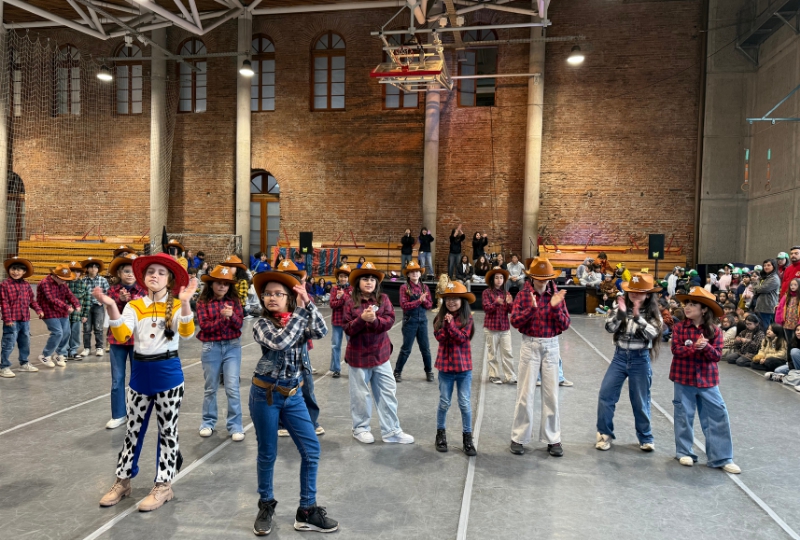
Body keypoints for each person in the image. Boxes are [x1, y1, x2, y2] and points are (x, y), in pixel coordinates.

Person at [95, 253, 198, 511]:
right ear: (144, 276)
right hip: (140, 374)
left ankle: (164, 485)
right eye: (151, 271)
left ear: (170, 279)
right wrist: (111, 305)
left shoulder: (176, 305)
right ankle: (123, 481)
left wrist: (186, 303)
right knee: (132, 430)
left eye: (161, 272)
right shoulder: (134, 306)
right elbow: (122, 334)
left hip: (168, 375)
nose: (155, 275)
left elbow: (186, 333)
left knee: (168, 431)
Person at [248, 266, 338, 535]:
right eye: (267, 294)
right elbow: (281, 342)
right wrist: (300, 312)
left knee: (311, 450)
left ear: (289, 297)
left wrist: (308, 303)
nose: (271, 298)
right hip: (266, 395)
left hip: (294, 395)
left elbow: (321, 330)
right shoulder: (262, 324)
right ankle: (266, 505)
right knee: (268, 453)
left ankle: (307, 510)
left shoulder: (298, 318)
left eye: (278, 293)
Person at [670, 286, 740, 474]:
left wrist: (706, 347)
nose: (687, 307)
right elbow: (676, 350)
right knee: (683, 415)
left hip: (708, 380)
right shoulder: (679, 328)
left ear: (704, 309)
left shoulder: (715, 331)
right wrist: (695, 347)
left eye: (693, 304)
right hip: (683, 378)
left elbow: (717, 356)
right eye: (687, 304)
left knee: (717, 415)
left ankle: (722, 457)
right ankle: (684, 452)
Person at [343, 261, 414, 445]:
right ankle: (360, 428)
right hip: (358, 357)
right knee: (360, 395)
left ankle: (391, 431)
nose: (369, 282)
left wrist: (374, 321)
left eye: (372, 279)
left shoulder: (383, 299)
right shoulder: (350, 303)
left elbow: (389, 320)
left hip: (380, 355)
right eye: (365, 279)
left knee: (388, 392)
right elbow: (347, 328)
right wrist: (361, 319)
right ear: (358, 282)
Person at [509, 257, 570, 457]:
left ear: (551, 278)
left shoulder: (557, 296)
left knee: (551, 395)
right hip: (530, 344)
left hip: (551, 345)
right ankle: (519, 437)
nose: (542, 281)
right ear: (532, 277)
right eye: (539, 278)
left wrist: (555, 307)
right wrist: (532, 309)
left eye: (546, 278)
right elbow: (515, 321)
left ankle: (553, 439)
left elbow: (565, 324)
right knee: (525, 394)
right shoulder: (523, 295)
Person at [596, 273, 662, 452]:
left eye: (639, 291)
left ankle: (646, 437)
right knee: (606, 395)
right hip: (619, 357)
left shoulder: (653, 313)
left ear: (647, 294)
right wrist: (620, 315)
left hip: (640, 359)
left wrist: (638, 318)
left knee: (640, 400)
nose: (634, 294)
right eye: (632, 290)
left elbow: (653, 333)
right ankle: (604, 434)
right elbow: (609, 328)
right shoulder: (619, 306)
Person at [196, 265, 245, 441]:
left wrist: (232, 316)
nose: (222, 286)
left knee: (232, 387)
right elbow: (205, 326)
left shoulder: (235, 302)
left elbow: (239, 325)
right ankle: (207, 422)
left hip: (232, 346)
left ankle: (236, 426)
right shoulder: (203, 303)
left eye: (226, 284)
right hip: (211, 347)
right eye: (219, 283)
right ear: (211, 284)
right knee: (211, 387)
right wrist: (222, 318)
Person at [433, 281, 477, 456]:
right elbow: (440, 337)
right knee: (444, 402)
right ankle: (440, 434)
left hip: (463, 369)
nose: (451, 302)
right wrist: (446, 325)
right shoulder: (439, 319)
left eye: (455, 298)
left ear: (462, 301)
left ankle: (467, 437)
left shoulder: (467, 319)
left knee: (464, 403)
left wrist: (450, 325)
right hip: (445, 369)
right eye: (448, 299)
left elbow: (462, 338)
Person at [104, 253, 147, 429]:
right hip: (117, 341)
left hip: (138, 340)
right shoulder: (112, 291)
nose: (130, 274)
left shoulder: (144, 291)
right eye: (126, 271)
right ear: (119, 273)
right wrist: (119, 301)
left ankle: (137, 413)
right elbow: (110, 312)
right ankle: (118, 414)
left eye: (133, 271)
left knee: (138, 378)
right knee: (117, 379)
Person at [0, 257, 43, 378]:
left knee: (25, 342)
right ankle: (4, 366)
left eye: (19, 270)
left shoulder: (26, 285)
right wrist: (8, 319)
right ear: (9, 270)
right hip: (12, 320)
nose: (15, 272)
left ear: (24, 272)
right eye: (13, 269)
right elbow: (4, 303)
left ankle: (24, 363)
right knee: (9, 343)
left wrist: (38, 310)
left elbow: (31, 301)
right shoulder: (4, 285)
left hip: (24, 320)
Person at [393, 260, 433, 382]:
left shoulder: (425, 287)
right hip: (410, 321)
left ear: (420, 274)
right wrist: (419, 301)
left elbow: (429, 305)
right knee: (406, 349)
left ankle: (429, 371)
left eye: (417, 271)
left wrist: (424, 301)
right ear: (408, 274)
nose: (415, 273)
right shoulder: (404, 287)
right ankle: (397, 372)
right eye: (412, 272)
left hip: (423, 322)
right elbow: (404, 306)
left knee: (425, 349)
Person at [37, 264, 81, 368]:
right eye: (63, 279)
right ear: (55, 276)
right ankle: (45, 355)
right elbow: (51, 298)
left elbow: (69, 294)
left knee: (66, 332)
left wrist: (76, 304)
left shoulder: (63, 283)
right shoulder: (44, 283)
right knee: (57, 333)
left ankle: (59, 353)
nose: (65, 281)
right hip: (49, 311)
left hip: (61, 312)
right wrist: (67, 306)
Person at [482, 266, 516, 384]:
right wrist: (496, 303)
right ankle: (494, 375)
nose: (499, 280)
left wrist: (510, 303)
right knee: (492, 353)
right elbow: (486, 308)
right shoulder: (486, 293)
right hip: (491, 328)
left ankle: (510, 376)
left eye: (501, 278)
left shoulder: (507, 293)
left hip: (504, 328)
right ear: (492, 279)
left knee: (508, 353)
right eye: (496, 277)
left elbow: (511, 311)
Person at [79, 257, 109, 357]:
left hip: (98, 306)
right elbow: (80, 293)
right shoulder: (83, 281)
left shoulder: (103, 280)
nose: (93, 269)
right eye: (91, 267)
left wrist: (102, 300)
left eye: (96, 267)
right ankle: (87, 348)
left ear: (98, 269)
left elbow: (108, 293)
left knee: (98, 327)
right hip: (86, 307)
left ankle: (99, 347)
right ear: (87, 269)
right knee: (86, 328)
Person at [328, 264, 351, 378]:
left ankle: (353, 367)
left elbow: (353, 303)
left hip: (349, 322)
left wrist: (343, 297)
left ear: (348, 278)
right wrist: (342, 300)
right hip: (337, 321)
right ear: (338, 277)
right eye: (341, 276)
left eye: (345, 277)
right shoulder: (334, 289)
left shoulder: (352, 289)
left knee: (352, 345)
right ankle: (336, 369)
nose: (343, 279)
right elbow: (332, 304)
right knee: (335, 345)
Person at [65, 261, 90, 360]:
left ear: (81, 273)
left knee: (75, 333)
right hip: (64, 314)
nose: (75, 273)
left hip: (77, 315)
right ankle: (63, 352)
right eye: (72, 271)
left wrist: (85, 314)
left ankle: (73, 351)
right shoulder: (64, 284)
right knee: (65, 333)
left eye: (77, 271)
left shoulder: (84, 285)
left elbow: (87, 301)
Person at [752, 259, 780, 328]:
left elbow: (762, 289)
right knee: (760, 326)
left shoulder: (774, 278)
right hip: (761, 306)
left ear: (774, 266)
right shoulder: (764, 277)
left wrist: (756, 288)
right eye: (764, 265)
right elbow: (755, 287)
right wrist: (756, 288)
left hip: (767, 307)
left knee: (765, 327)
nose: (766, 267)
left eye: (768, 265)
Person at [776, 278, 800, 343]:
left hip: (797, 325)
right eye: (791, 285)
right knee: (788, 341)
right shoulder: (786, 296)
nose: (792, 286)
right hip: (787, 324)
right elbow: (780, 309)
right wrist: (779, 320)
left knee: (796, 341)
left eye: (795, 285)